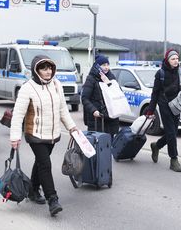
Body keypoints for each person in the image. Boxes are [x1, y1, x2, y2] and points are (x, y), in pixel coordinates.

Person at [9, 55, 78, 217]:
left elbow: (62, 110)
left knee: (40, 162)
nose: (48, 72)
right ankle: (52, 199)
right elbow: (18, 115)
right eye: (43, 68)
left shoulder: (56, 84)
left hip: (52, 134)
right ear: (36, 70)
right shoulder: (28, 87)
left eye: (49, 68)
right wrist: (15, 136)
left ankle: (32, 190)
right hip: (35, 134)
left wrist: (72, 127)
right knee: (45, 164)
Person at [146, 49, 181, 172]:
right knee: (171, 132)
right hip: (164, 105)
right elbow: (155, 93)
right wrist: (150, 110)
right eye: (173, 59)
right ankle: (174, 160)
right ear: (167, 60)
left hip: (177, 105)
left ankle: (156, 146)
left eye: (177, 58)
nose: (176, 61)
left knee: (173, 132)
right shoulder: (160, 73)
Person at [81, 54, 119, 138]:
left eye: (107, 65)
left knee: (111, 145)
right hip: (97, 119)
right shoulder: (91, 79)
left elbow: (117, 93)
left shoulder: (111, 77)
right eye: (103, 65)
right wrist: (94, 110)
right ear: (97, 66)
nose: (106, 67)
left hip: (111, 118)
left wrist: (108, 83)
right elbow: (84, 98)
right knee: (98, 145)